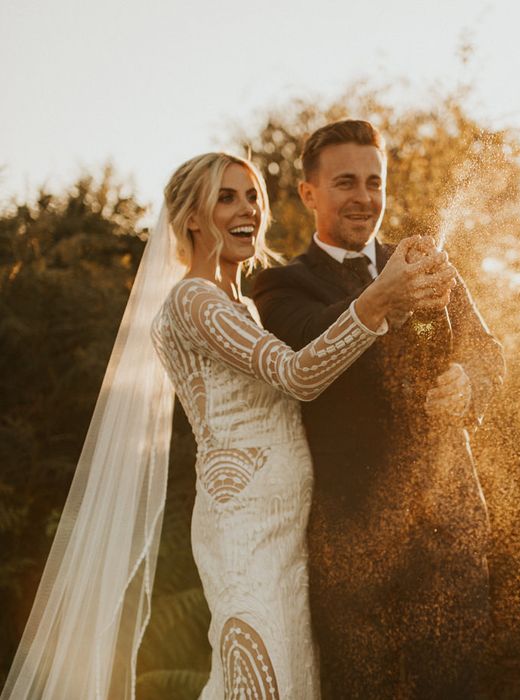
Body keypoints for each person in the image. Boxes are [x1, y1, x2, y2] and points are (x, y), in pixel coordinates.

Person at [1, 152, 455, 699]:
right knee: (256, 681)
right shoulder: (194, 301)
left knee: (291, 683)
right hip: (242, 527)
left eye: (253, 196)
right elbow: (298, 375)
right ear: (192, 217)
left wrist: (398, 306)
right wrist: (379, 296)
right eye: (227, 196)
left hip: (288, 529)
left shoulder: (240, 305)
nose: (248, 209)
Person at [252, 120, 506, 698]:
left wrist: (469, 384)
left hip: (449, 532)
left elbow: (487, 352)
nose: (364, 198)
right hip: (352, 548)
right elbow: (308, 347)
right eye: (346, 182)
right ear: (309, 193)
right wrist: (382, 297)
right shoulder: (278, 286)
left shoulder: (428, 262)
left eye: (374, 181)